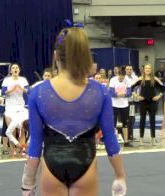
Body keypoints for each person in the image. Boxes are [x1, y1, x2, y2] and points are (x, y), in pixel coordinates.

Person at [21, 27, 127, 195]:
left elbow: (35, 142)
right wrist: (120, 176)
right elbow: (110, 138)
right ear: (85, 56)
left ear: (56, 55)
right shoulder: (100, 92)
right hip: (85, 163)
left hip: (51, 165)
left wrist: (28, 181)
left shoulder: (38, 93)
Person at [132, 64, 164, 146]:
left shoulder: (155, 79)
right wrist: (136, 96)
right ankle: (141, 139)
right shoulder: (140, 79)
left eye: (149, 68)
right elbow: (131, 87)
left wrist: (159, 96)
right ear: (144, 69)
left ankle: (153, 139)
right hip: (143, 102)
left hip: (152, 102)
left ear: (151, 70)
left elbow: (163, 88)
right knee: (142, 120)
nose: (148, 69)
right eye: (146, 68)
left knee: (152, 120)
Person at [2, 63, 29, 156]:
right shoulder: (7, 80)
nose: (15, 69)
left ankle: (23, 149)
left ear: (19, 70)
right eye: (13, 68)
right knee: (12, 130)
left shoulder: (23, 80)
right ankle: (13, 149)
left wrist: (21, 88)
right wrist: (12, 89)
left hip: (21, 106)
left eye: (17, 68)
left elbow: (28, 91)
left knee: (23, 129)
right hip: (10, 107)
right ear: (11, 71)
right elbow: (2, 93)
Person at [109, 68, 132, 147]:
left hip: (124, 104)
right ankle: (113, 141)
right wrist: (121, 94)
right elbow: (111, 93)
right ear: (118, 75)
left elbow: (129, 93)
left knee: (125, 123)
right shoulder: (113, 80)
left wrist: (120, 94)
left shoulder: (127, 81)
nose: (121, 79)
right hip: (114, 104)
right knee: (113, 124)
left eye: (123, 78)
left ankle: (126, 141)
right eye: (120, 77)